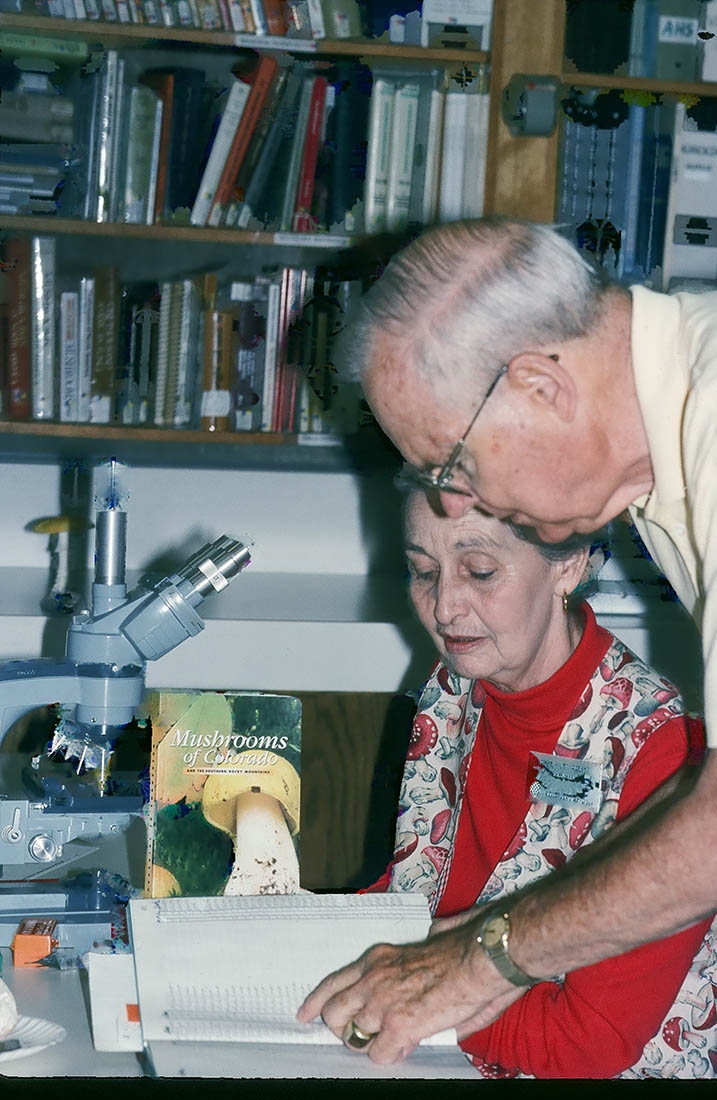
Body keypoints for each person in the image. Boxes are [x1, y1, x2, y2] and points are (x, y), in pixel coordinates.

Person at [297, 216, 717, 1065]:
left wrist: (482, 961)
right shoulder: (654, 457)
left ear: (539, 387)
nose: (452, 505)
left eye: (453, 467)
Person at [351, 490, 715, 1078]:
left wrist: (404, 995)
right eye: (423, 572)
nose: (444, 607)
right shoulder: (452, 685)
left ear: (568, 565)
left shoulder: (661, 745)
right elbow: (423, 886)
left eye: (479, 571)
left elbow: (587, 1044)